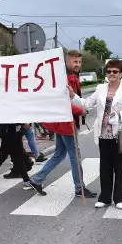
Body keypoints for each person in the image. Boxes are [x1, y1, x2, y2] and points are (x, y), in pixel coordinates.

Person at [70, 60, 122, 209]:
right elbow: (87, 104)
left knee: (119, 168)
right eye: (109, 71)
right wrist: (72, 96)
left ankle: (119, 198)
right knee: (105, 167)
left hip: (120, 134)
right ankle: (105, 198)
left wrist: (119, 115)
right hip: (103, 134)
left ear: (121, 74)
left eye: (115, 71)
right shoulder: (101, 88)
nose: (112, 74)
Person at [26, 50, 95, 198]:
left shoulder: (68, 77)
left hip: (62, 123)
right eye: (75, 62)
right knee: (75, 156)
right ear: (67, 62)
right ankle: (79, 188)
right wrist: (81, 111)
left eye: (79, 62)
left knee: (59, 154)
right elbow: (63, 103)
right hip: (66, 123)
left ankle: (37, 179)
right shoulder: (64, 79)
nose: (78, 65)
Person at [0, 123, 31, 191]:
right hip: (9, 133)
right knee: (4, 157)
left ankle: (27, 181)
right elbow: (11, 116)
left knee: (17, 158)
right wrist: (23, 123)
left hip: (13, 133)